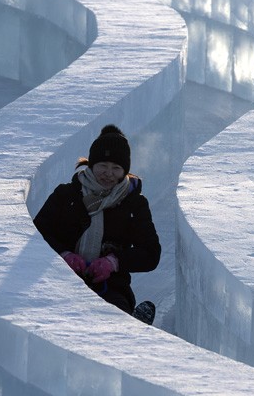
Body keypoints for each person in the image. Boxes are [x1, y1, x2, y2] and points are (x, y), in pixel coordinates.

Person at [34, 124, 160, 324]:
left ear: (125, 171)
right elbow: (37, 234)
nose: (108, 173)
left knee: (112, 318)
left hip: (112, 285)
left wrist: (114, 262)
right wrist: (63, 256)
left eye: (116, 168)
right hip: (60, 279)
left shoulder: (134, 204)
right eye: (103, 165)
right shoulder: (65, 195)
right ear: (91, 164)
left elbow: (151, 254)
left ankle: (131, 326)